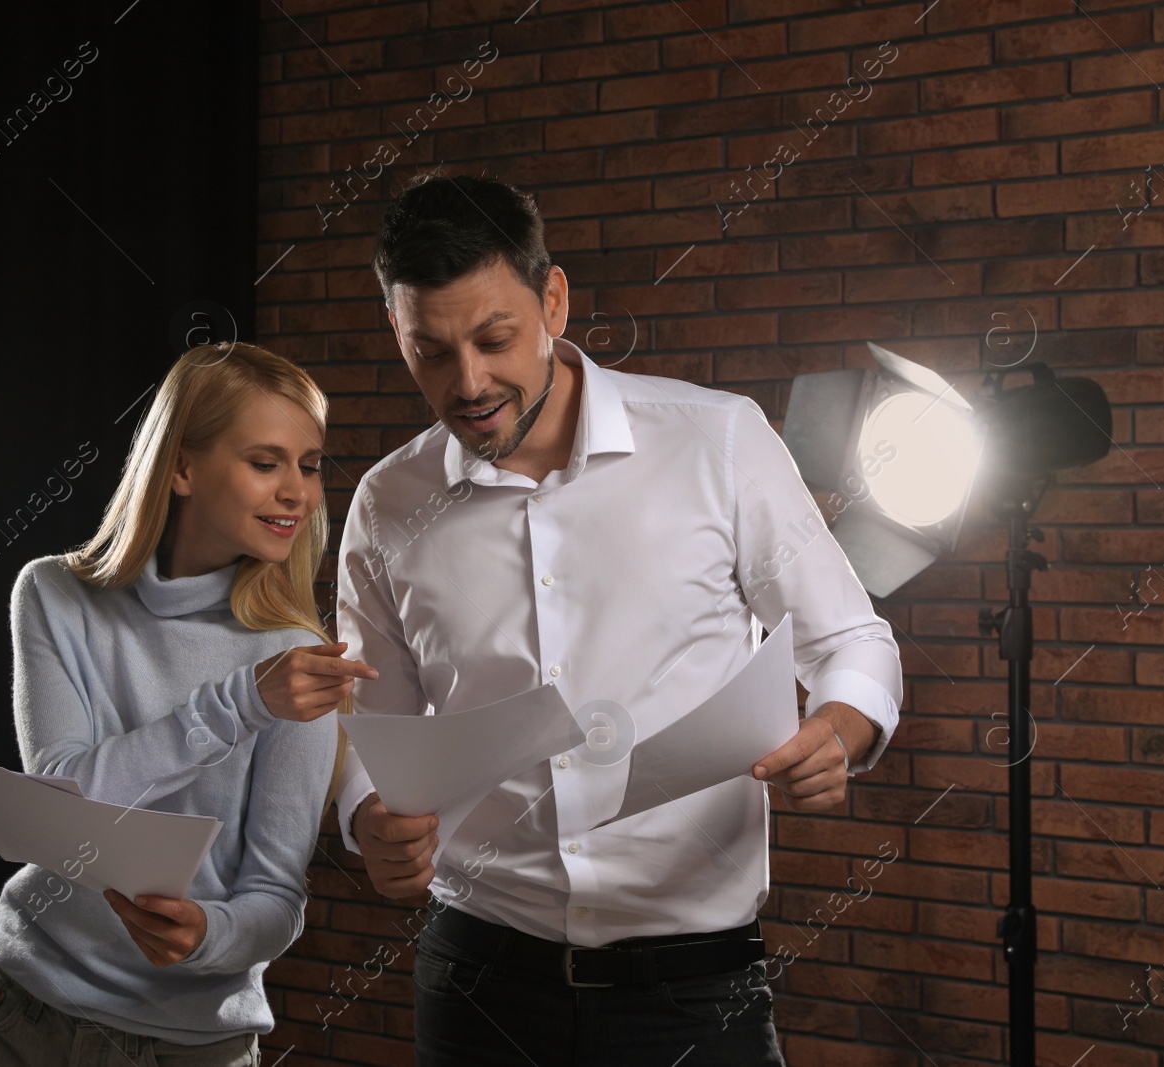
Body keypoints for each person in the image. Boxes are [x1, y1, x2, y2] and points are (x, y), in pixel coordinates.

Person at [333, 174, 904, 1066]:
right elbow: (375, 730)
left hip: (694, 988)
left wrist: (840, 726)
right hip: (479, 978)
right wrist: (366, 812)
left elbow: (853, 642)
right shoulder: (384, 505)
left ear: (553, 298)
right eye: (430, 351)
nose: (468, 383)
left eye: (493, 339)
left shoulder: (717, 440)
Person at [0, 342, 378, 1067]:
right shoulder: (53, 594)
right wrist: (241, 701)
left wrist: (207, 934)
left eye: (309, 464)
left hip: (186, 1048)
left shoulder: (298, 657)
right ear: (181, 466)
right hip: (15, 1017)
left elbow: (275, 897)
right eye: (266, 462)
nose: (298, 493)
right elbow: (65, 808)